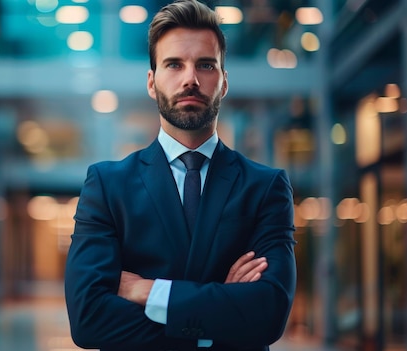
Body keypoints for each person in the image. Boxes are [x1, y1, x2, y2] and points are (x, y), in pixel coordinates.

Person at [64, 0, 297, 350]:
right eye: (174, 65)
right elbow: (88, 320)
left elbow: (269, 313)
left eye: (205, 65)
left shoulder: (265, 188)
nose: (190, 79)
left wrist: (147, 290)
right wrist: (221, 316)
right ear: (152, 82)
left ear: (224, 82)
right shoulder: (108, 186)